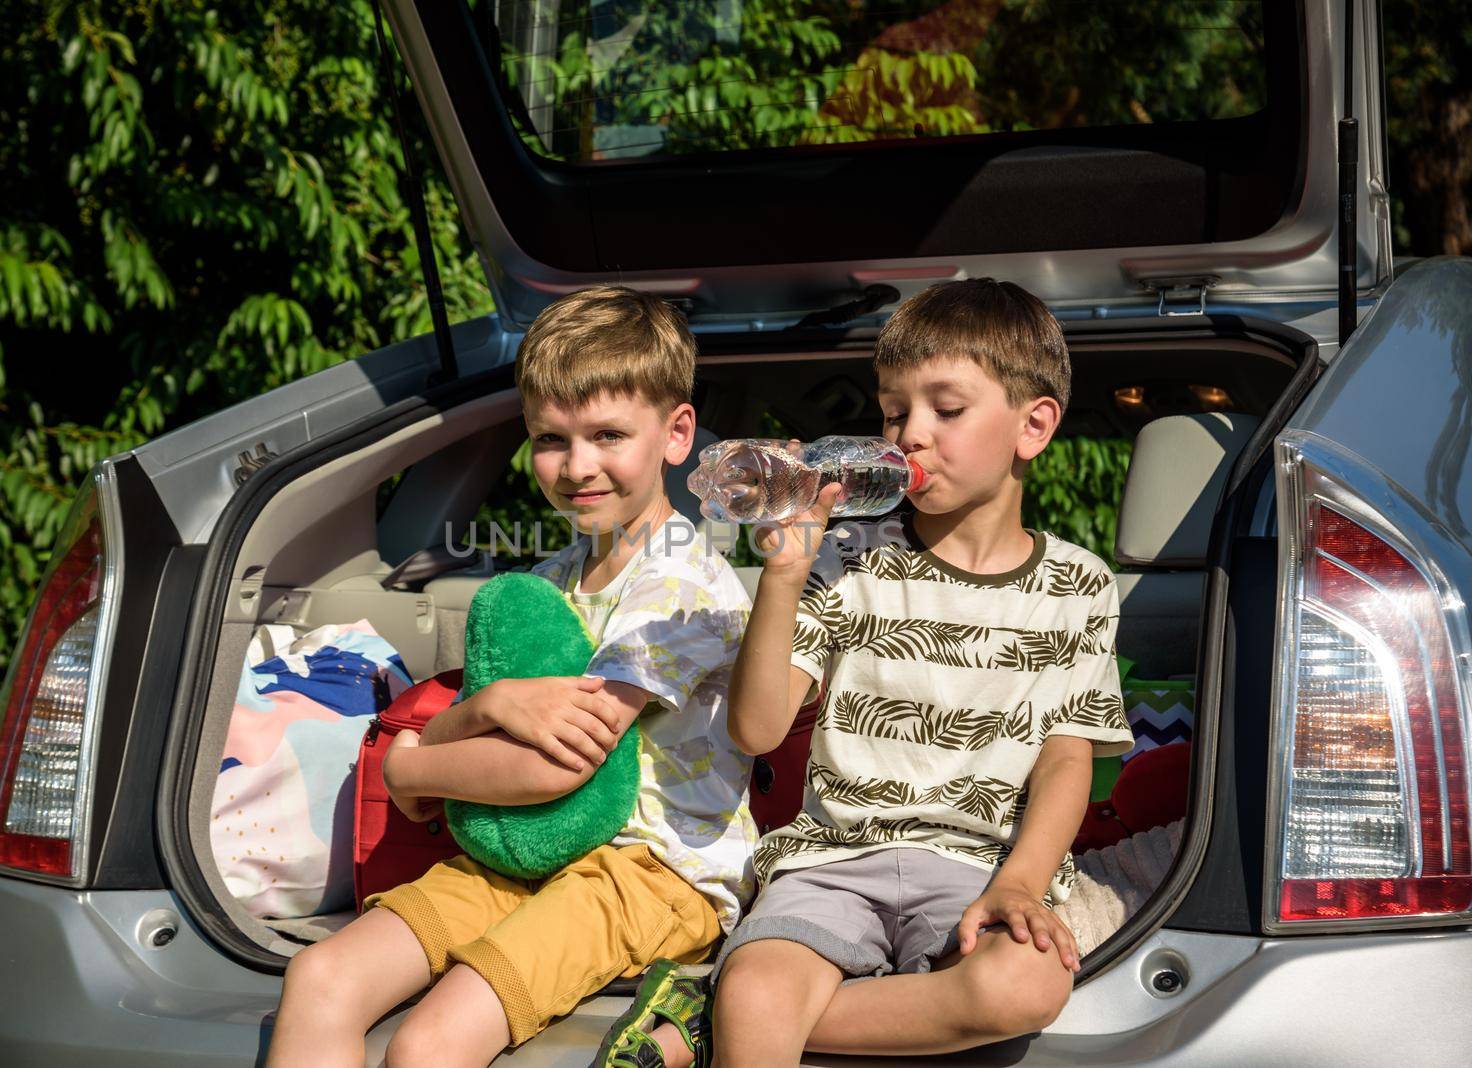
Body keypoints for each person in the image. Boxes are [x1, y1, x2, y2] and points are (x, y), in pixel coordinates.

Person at [265, 285, 756, 1068]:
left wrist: (411, 765)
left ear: (676, 434)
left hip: (654, 873)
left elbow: (554, 765)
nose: (577, 465)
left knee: (431, 1042)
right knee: (320, 976)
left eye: (606, 435)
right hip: (528, 854)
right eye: (551, 439)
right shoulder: (553, 577)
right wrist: (488, 704)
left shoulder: (681, 587)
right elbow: (483, 725)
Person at [704, 278, 1134, 1066]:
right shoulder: (847, 557)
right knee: (759, 987)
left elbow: (1068, 758)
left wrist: (1022, 886)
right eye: (895, 411)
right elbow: (757, 728)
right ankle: (752, 1011)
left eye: (947, 408)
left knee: (1024, 984)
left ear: (1032, 426)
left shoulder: (1079, 584)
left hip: (978, 866)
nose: (911, 435)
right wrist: (783, 576)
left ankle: (713, 1022)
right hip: (833, 865)